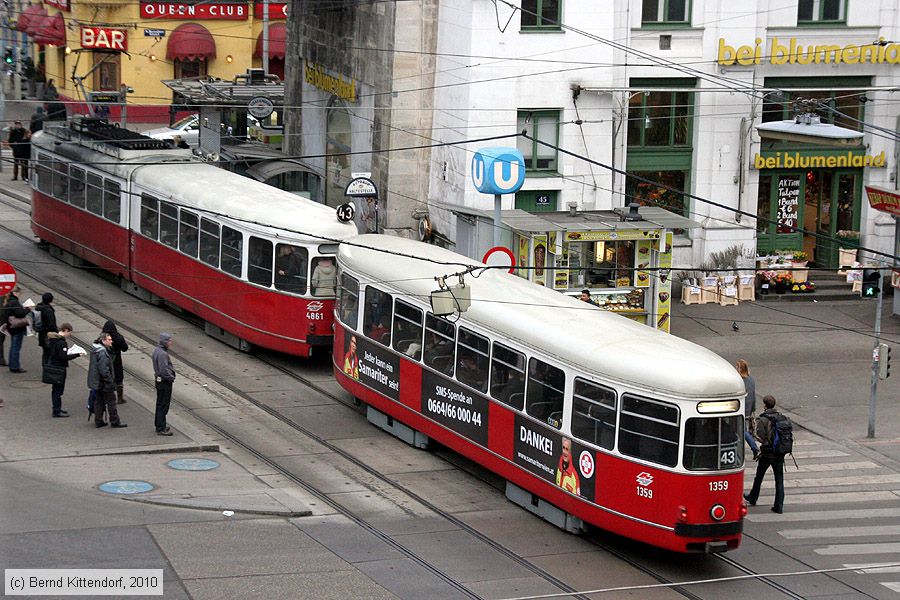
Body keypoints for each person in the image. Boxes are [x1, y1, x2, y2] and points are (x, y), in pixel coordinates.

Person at [744, 395, 786, 514]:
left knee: (759, 476)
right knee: (779, 480)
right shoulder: (780, 417)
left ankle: (753, 496)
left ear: (765, 405)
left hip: (767, 453)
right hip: (779, 453)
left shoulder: (763, 419)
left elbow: (760, 436)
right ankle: (779, 505)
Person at [88, 332, 126, 428]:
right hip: (104, 382)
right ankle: (115, 421)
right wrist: (109, 380)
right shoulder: (102, 353)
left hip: (97, 381)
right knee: (111, 401)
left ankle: (98, 420)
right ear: (103, 341)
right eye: (109, 339)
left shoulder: (96, 350)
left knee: (99, 400)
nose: (111, 341)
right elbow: (104, 369)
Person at [44, 323, 81, 418]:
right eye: (69, 332)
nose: (69, 335)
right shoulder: (61, 342)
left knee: (56, 390)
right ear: (65, 330)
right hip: (59, 368)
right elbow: (63, 357)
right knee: (57, 391)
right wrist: (77, 354)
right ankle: (56, 411)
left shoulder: (53, 340)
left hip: (53, 367)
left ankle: (57, 408)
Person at [152, 332, 175, 436]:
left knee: (159, 403)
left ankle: (158, 424)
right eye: (169, 340)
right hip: (165, 382)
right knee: (163, 405)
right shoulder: (162, 354)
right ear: (164, 341)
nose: (171, 342)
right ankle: (161, 427)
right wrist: (171, 377)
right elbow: (164, 370)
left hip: (159, 380)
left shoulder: (156, 350)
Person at [736, 359, 759, 461]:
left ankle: (754, 448)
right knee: (743, 430)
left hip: (740, 408)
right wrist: (753, 408)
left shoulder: (739, 381)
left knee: (742, 430)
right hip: (748, 408)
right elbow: (753, 395)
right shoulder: (751, 380)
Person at [101, 320, 129, 404]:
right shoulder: (119, 337)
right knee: (119, 378)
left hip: (105, 360)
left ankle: (106, 397)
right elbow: (125, 348)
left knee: (106, 377)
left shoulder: (102, 338)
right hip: (116, 361)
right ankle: (120, 398)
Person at [4, 288, 29, 373]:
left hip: (11, 327)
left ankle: (12, 365)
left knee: (13, 347)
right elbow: (20, 313)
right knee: (16, 347)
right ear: (15, 293)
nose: (20, 294)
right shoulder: (14, 302)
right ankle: (15, 366)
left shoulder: (9, 301)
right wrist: (27, 309)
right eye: (19, 293)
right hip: (17, 328)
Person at [35, 292, 57, 363]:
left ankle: (45, 367)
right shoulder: (48, 310)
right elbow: (51, 325)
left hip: (41, 333)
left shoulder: (39, 307)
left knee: (45, 352)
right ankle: (48, 369)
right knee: (50, 353)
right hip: (48, 335)